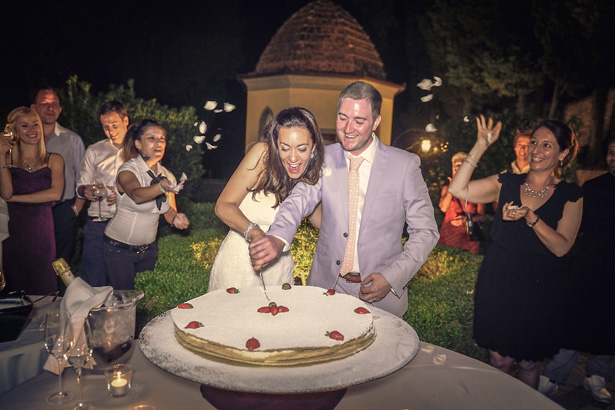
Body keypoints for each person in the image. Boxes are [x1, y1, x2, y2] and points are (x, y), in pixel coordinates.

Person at [249, 81, 439, 317]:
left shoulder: (404, 165)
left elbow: (425, 232)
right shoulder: (323, 158)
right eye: (342, 118)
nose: (348, 128)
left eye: (359, 121)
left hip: (380, 295)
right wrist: (277, 238)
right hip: (327, 289)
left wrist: (392, 278)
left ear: (376, 122)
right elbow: (299, 199)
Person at [448, 116, 582, 389]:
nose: (536, 150)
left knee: (530, 362)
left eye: (547, 145)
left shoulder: (571, 195)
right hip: (499, 278)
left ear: (563, 153)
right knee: (498, 361)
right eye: (534, 142)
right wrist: (480, 145)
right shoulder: (506, 182)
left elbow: (561, 247)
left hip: (539, 285)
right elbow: (457, 189)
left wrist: (531, 218)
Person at [207, 107, 325, 292]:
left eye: (302, 149)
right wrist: (255, 234)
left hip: (279, 269)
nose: (293, 158)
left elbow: (322, 222)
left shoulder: (311, 175)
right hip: (240, 265)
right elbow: (223, 206)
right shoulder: (263, 154)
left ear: (313, 148)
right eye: (284, 148)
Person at [539, 138, 615, 403]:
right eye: (610, 152)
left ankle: (597, 377)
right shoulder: (593, 188)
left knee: (610, 325)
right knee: (573, 321)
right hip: (589, 265)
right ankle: (552, 377)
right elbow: (576, 226)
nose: (613, 157)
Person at [102, 119, 189, 290]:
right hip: (119, 251)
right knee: (125, 303)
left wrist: (176, 219)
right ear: (138, 144)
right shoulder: (128, 170)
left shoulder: (167, 175)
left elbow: (168, 210)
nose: (158, 143)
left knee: (146, 303)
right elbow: (137, 195)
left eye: (161, 139)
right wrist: (160, 187)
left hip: (149, 251)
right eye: (151, 138)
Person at [0, 107, 64, 294]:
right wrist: (1, 157)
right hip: (14, 229)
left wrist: (16, 199)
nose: (32, 130)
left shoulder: (54, 159)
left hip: (42, 229)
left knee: (43, 285)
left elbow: (55, 194)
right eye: (25, 126)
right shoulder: (8, 160)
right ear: (14, 131)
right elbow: (6, 193)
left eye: (35, 124)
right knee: (14, 285)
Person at [74, 101, 130, 286]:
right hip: (98, 225)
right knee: (94, 281)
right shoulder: (95, 150)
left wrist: (122, 194)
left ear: (126, 121)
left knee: (123, 283)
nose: (110, 130)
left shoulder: (139, 150)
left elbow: (149, 186)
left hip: (126, 225)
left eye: (114, 125)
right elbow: (82, 185)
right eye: (105, 126)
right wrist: (85, 190)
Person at [31, 88, 85, 265]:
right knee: (32, 261)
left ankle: (62, 294)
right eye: (44, 104)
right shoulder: (22, 139)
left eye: (54, 104)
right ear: (33, 108)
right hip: (29, 210)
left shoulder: (72, 140)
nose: (50, 108)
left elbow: (83, 178)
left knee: (61, 263)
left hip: (62, 210)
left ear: (60, 110)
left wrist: (75, 209)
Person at [438, 152, 486, 255]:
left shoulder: (477, 190)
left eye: (462, 165)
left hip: (469, 236)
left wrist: (466, 220)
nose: (458, 168)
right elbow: (443, 208)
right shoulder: (447, 189)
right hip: (449, 236)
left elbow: (482, 217)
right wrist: (452, 187)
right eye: (456, 165)